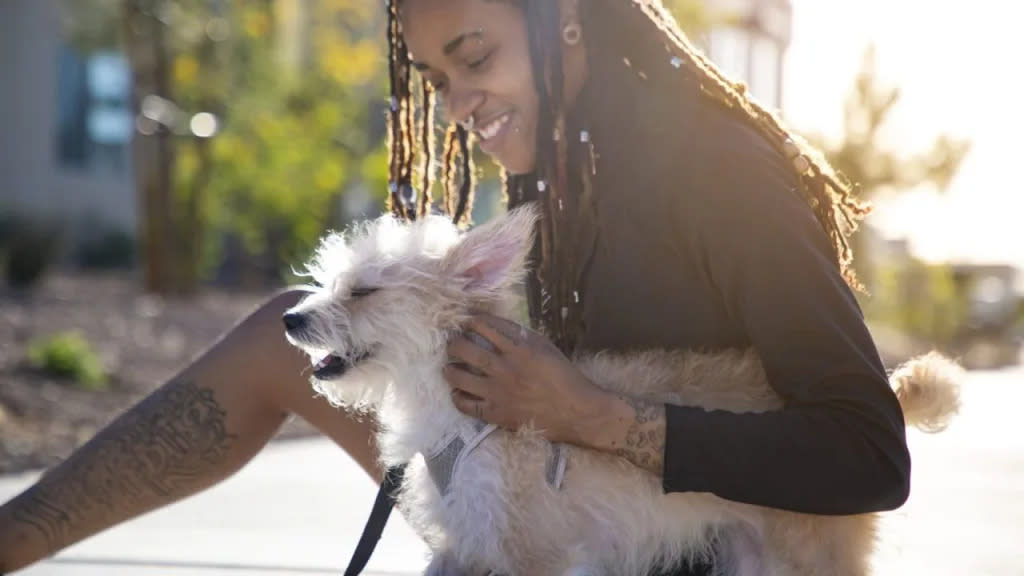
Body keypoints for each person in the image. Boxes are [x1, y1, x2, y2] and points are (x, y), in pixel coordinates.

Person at [0, 0, 911, 574]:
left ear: (566, 21)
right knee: (285, 333)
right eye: (435, 76)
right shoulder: (555, 169)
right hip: (552, 509)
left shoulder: (723, 173)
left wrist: (597, 417)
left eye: (474, 58)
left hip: (697, 540)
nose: (455, 103)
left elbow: (872, 455)